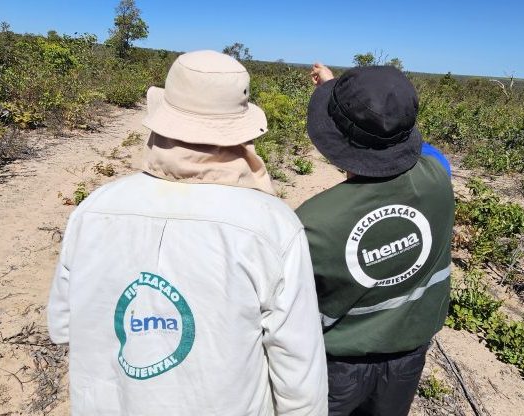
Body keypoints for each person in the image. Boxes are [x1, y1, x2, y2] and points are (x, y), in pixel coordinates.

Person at [47, 50, 328, 416]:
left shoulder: (94, 209)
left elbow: (63, 326)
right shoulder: (273, 225)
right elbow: (297, 363)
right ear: (239, 129)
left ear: (163, 120)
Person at [297, 63, 455, 416]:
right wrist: (363, 107)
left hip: (337, 366)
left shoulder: (314, 222)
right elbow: (411, 144)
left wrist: (339, 99)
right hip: (409, 357)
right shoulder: (439, 174)